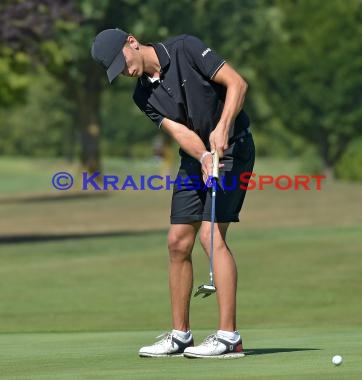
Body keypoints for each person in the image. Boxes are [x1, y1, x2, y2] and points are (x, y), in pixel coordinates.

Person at [91, 28, 255, 359]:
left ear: (132, 42)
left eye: (121, 63)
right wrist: (204, 157)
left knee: (210, 236)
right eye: (115, 71)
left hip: (234, 148)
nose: (124, 72)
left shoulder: (186, 48)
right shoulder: (142, 96)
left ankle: (228, 337)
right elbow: (179, 131)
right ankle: (180, 335)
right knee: (178, 241)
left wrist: (222, 129)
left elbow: (238, 84)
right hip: (198, 156)